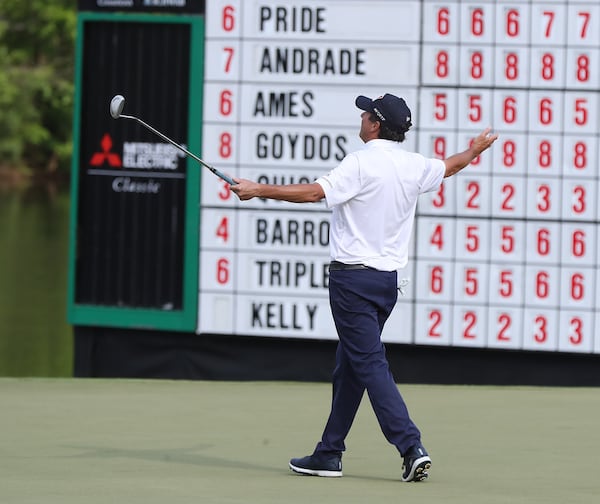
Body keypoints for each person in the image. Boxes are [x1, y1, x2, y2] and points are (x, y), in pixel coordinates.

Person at [230, 93, 498, 482]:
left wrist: (259, 189)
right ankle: (329, 453)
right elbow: (450, 166)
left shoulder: (361, 162)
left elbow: (314, 193)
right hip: (385, 284)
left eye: (366, 112)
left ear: (375, 124)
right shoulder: (413, 165)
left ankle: (410, 446)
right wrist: (472, 151)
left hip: (352, 282)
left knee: (368, 364)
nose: (360, 115)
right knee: (351, 367)